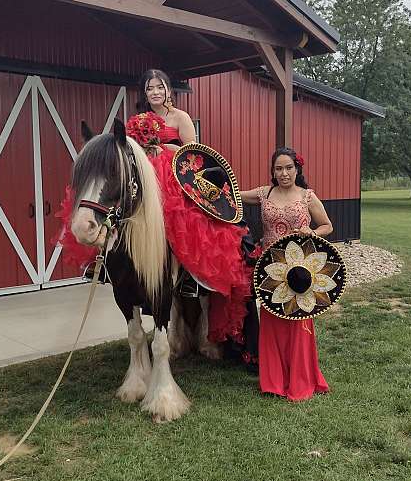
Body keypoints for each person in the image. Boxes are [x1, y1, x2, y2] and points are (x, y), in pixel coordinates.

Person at [134, 69, 251, 344]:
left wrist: (165, 149)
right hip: (148, 179)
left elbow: (194, 153)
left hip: (176, 179)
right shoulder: (139, 120)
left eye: (159, 87)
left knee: (195, 228)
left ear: (169, 90)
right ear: (144, 92)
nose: (155, 92)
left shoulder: (180, 117)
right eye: (149, 88)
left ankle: (194, 280)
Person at [241, 148, 333, 400]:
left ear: (297, 169)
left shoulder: (307, 196)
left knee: (297, 322)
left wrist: (313, 233)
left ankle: (300, 379)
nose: (284, 173)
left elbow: (327, 225)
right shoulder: (263, 193)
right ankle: (273, 381)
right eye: (278, 168)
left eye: (288, 168)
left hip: (299, 272)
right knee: (272, 322)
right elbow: (233, 196)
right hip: (270, 269)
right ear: (273, 171)